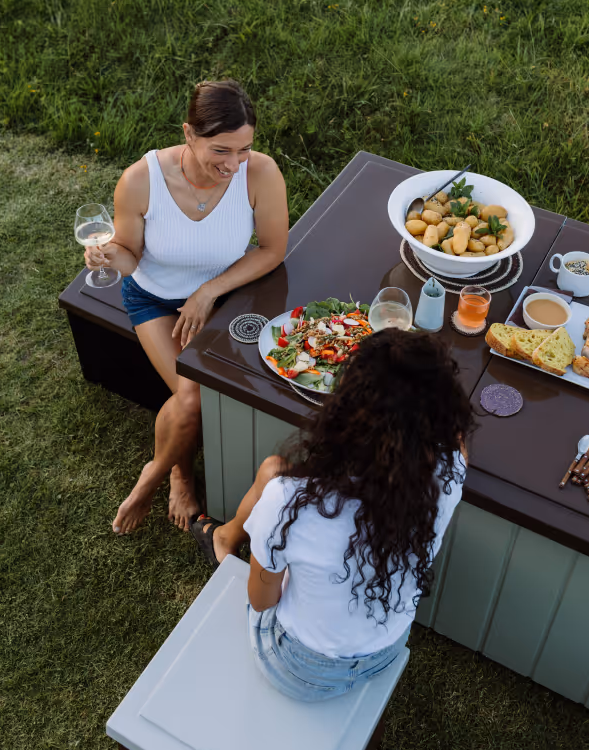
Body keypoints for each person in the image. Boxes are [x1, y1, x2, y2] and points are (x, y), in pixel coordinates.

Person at [191, 327, 472, 701]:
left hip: (299, 668)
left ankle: (224, 539)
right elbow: (456, 441)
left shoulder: (290, 500)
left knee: (273, 471)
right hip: (384, 650)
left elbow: (261, 601)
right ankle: (228, 537)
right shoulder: (450, 472)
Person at [83, 79, 288, 535]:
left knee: (214, 390)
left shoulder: (261, 173)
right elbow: (130, 257)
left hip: (223, 298)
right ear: (189, 134)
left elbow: (273, 249)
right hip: (152, 298)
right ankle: (173, 475)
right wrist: (108, 255)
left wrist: (208, 292)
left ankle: (153, 474)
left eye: (244, 149)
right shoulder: (141, 181)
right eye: (221, 150)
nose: (234, 164)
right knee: (192, 394)